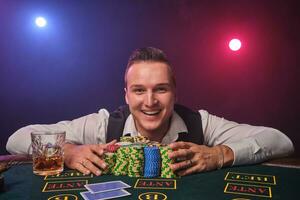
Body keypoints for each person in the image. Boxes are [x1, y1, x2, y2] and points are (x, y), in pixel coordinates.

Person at [6, 47, 294, 177]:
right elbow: (17, 138)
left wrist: (219, 154)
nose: (150, 101)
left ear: (175, 93)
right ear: (127, 95)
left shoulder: (201, 123)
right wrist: (67, 151)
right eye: (140, 90)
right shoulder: (105, 125)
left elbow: (280, 140)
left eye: (161, 89)